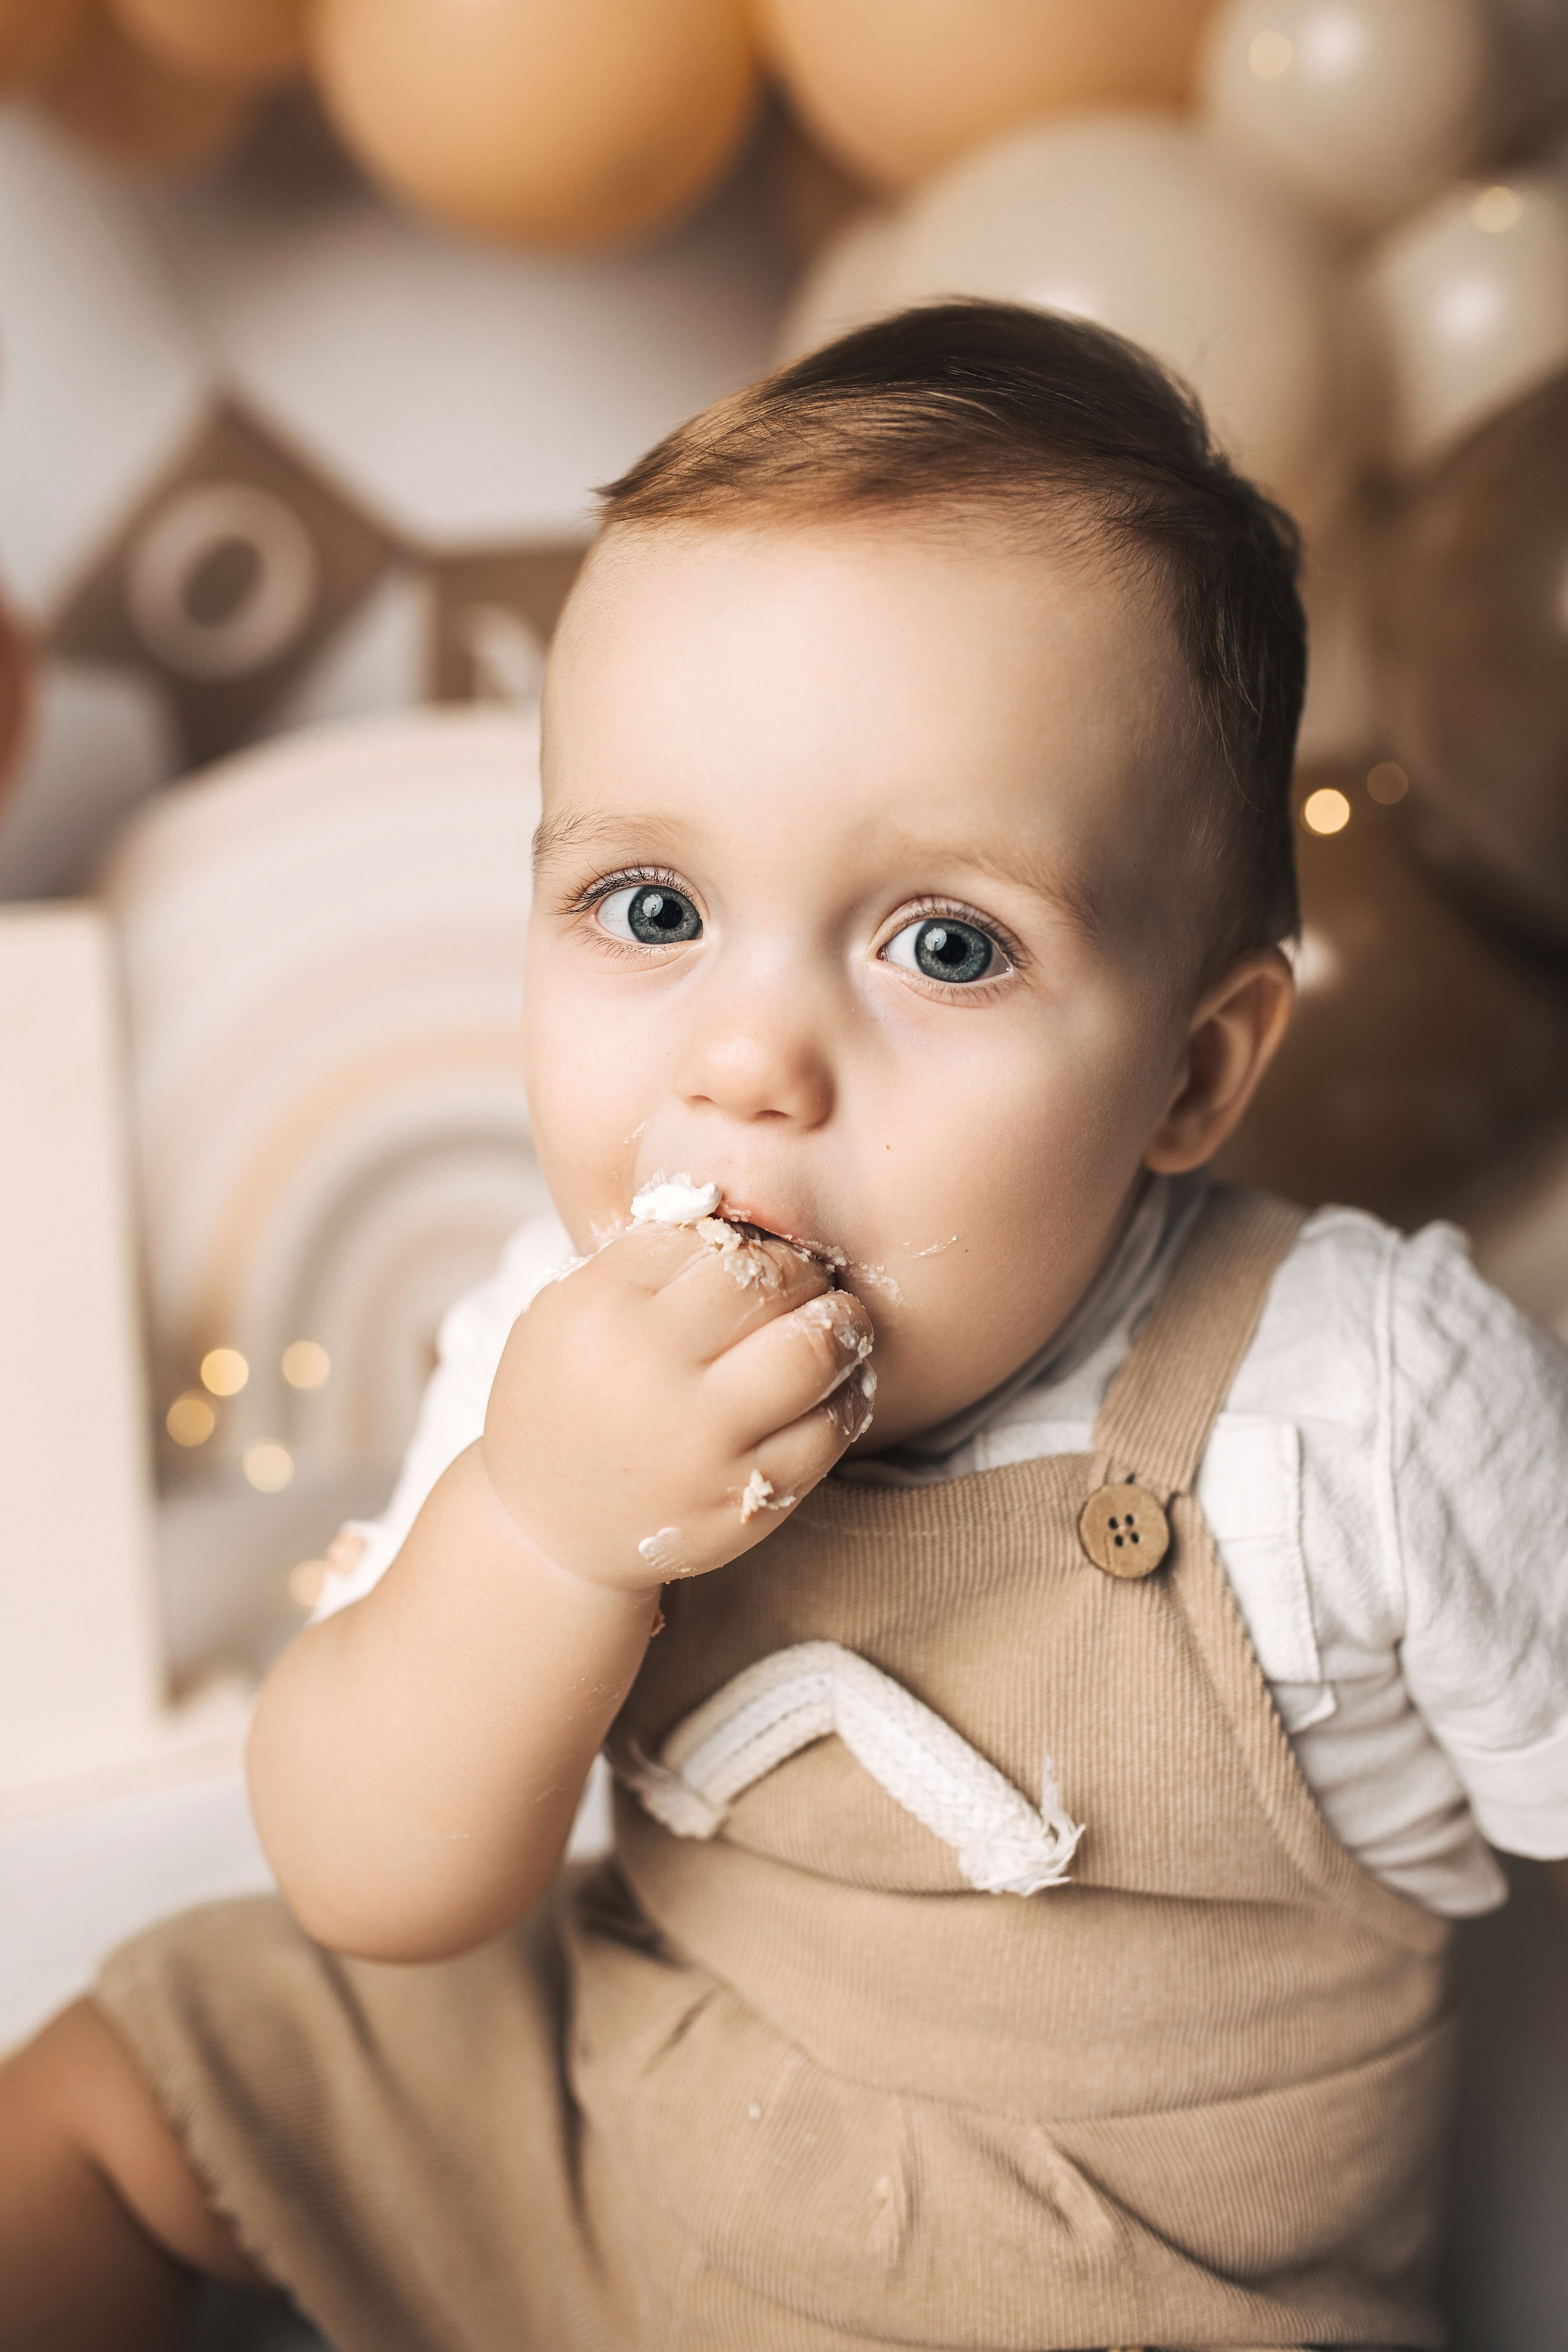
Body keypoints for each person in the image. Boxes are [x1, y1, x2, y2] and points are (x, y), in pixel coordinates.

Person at [6, 301, 1568, 2352]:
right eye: (652, 909)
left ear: (1194, 1072)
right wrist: (542, 1534)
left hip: (1109, 2291)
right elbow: (381, 1887)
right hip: (610, 2160)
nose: (749, 1061)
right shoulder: (545, 1354)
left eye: (945, 945)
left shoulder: (1349, 1398)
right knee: (128, 2081)